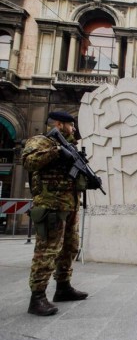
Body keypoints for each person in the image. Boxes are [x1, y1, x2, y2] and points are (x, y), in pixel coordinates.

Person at [22, 111, 88, 316]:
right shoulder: (41, 141)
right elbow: (29, 162)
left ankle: (63, 287)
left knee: (69, 248)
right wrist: (56, 151)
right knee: (48, 250)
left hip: (69, 207)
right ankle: (38, 297)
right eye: (71, 125)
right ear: (59, 125)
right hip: (50, 206)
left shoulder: (71, 147)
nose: (74, 129)